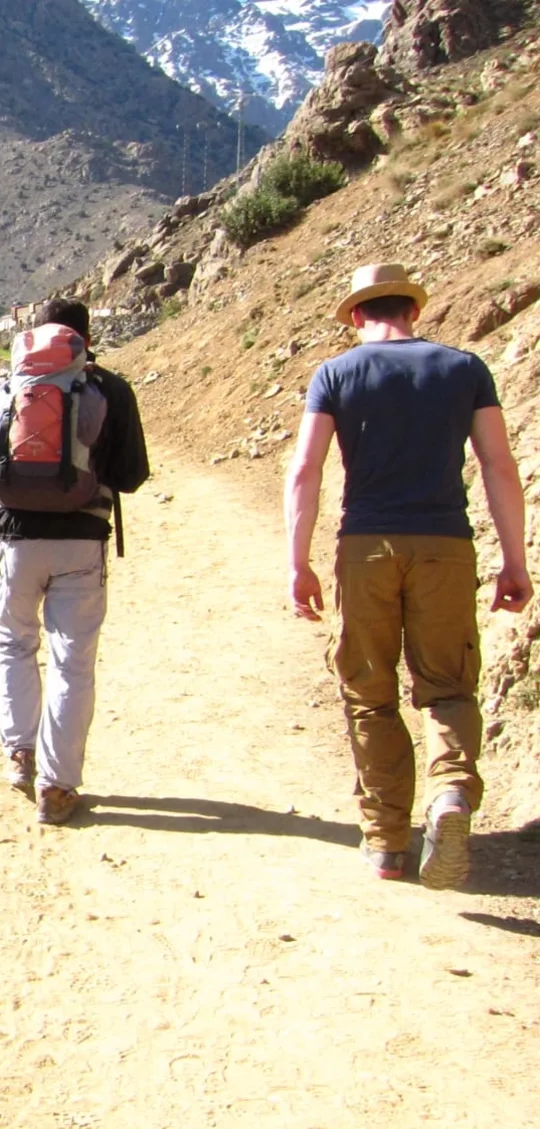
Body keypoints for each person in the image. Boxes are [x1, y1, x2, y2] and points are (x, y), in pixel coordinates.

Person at [286, 263, 532, 889]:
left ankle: (388, 841)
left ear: (356, 317)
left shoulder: (336, 373)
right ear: (413, 312)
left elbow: (305, 470)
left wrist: (299, 562)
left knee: (370, 692)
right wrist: (514, 559)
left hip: (365, 547)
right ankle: (451, 792)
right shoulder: (464, 369)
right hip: (446, 544)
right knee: (447, 686)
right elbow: (499, 466)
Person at [0, 299, 150, 825]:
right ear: (86, 340)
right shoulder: (110, 389)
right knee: (73, 662)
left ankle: (19, 754)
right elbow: (133, 474)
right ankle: (57, 787)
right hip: (81, 543)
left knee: (13, 645)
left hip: (15, 541)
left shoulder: (10, 387)